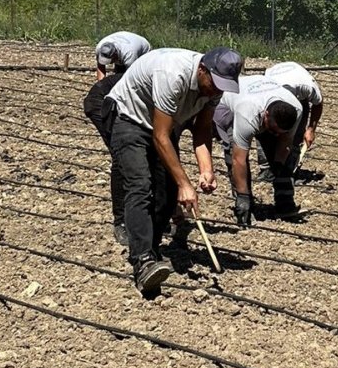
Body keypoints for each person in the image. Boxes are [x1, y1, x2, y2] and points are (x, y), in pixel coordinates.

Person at [104, 47, 243, 294]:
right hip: (129, 118)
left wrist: (206, 169)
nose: (217, 90)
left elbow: (202, 130)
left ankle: (153, 248)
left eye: (223, 86)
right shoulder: (172, 74)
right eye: (215, 83)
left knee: (166, 192)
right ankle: (143, 260)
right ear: (202, 70)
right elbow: (159, 135)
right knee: (141, 185)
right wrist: (185, 183)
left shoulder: (214, 88)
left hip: (162, 126)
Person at [82, 31, 152, 245]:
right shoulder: (103, 46)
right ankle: (120, 221)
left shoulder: (133, 54)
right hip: (99, 102)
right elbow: (107, 76)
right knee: (120, 159)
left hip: (137, 59)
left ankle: (145, 213)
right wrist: (104, 90)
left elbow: (131, 84)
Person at [214, 78, 304, 227]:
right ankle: (244, 205)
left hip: (261, 103)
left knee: (284, 159)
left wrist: (277, 165)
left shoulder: (296, 108)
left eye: (279, 132)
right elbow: (239, 159)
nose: (276, 134)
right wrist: (243, 196)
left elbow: (285, 142)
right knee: (233, 154)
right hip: (230, 103)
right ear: (266, 115)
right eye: (274, 130)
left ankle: (284, 203)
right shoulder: (247, 113)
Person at [263, 60, 324, 162]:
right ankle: (268, 168)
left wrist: (311, 129)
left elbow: (318, 103)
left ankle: (290, 163)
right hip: (273, 85)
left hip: (297, 87)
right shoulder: (267, 89)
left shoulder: (306, 88)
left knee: (296, 133)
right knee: (267, 133)